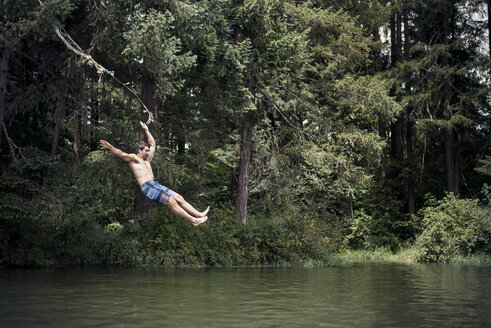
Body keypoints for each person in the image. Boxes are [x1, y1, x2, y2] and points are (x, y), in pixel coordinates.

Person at [100, 122, 209, 226]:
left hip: (155, 184)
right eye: (146, 151)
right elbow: (121, 154)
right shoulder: (134, 159)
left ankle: (198, 214)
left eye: (148, 151)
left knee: (179, 198)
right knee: (171, 201)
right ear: (139, 150)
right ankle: (194, 220)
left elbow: (153, 144)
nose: (148, 153)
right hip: (147, 188)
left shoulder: (147, 160)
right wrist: (111, 147)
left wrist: (146, 130)